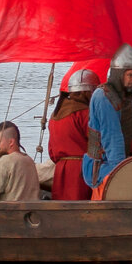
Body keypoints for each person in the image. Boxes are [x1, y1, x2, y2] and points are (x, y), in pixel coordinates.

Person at [82, 44, 132, 197]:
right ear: (118, 74)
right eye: (130, 75)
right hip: (104, 171)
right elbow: (113, 140)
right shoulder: (104, 97)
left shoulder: (125, 97)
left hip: (114, 167)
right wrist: (120, 174)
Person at [48, 67, 100, 200]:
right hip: (82, 172)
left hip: (61, 172)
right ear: (86, 92)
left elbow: (52, 153)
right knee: (82, 211)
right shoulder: (85, 114)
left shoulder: (55, 115)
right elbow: (100, 144)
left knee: (62, 211)